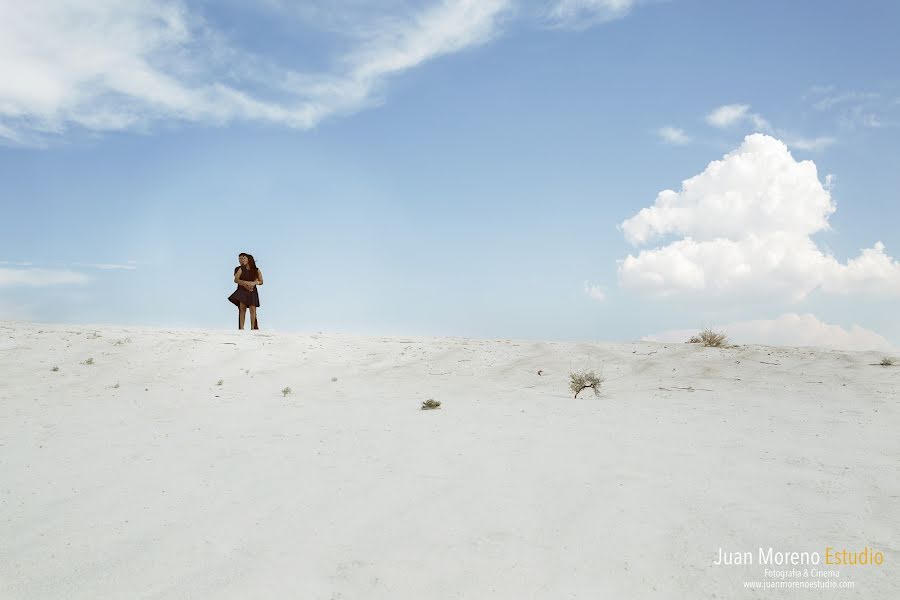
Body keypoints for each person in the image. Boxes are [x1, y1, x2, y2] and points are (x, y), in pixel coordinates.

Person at [228, 253, 264, 330]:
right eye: (240, 259)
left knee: (253, 309)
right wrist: (245, 284)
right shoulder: (239, 269)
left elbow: (261, 281)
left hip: (252, 291)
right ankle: (241, 328)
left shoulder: (256, 270)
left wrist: (254, 283)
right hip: (242, 290)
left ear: (248, 260)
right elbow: (236, 279)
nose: (241, 260)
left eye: (243, 258)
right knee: (242, 308)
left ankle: (253, 328)